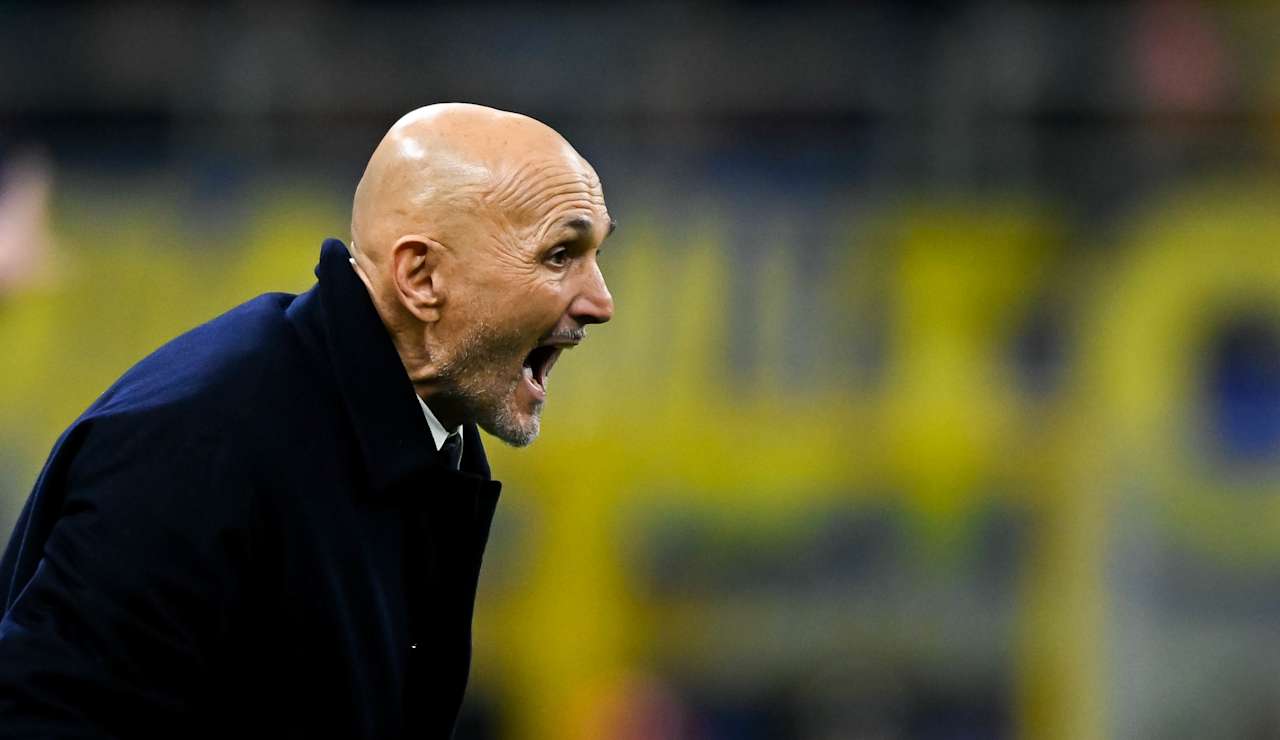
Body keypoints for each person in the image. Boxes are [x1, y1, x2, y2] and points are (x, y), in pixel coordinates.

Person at [0, 103, 615, 738]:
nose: (601, 302)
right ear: (422, 277)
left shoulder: (420, 436)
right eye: (559, 255)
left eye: (597, 252)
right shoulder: (202, 441)